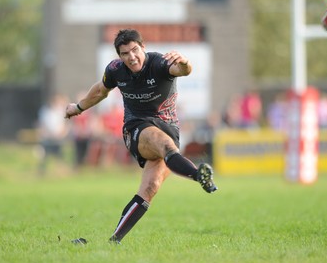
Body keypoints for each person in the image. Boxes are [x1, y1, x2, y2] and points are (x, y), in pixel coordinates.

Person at [65, 29, 218, 244]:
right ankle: (198, 176)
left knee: (150, 187)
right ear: (119, 56)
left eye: (135, 50)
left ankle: (114, 241)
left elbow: (183, 70)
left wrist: (184, 62)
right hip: (136, 127)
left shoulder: (159, 63)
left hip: (169, 129)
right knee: (162, 143)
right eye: (125, 53)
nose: (131, 57)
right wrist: (78, 107)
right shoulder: (116, 70)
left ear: (143, 47)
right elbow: (100, 91)